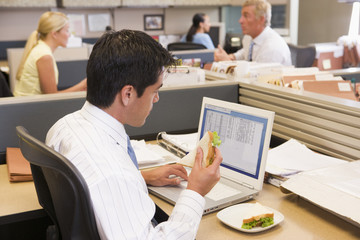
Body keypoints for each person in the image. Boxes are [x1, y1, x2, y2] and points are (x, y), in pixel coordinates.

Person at [46, 29, 223, 239]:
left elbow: (91, 186)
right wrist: (195, 190)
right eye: (155, 91)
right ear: (128, 94)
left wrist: (140, 177)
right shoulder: (112, 174)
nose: (156, 99)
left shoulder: (64, 126)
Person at [14, 11, 86, 96]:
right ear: (54, 34)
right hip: (28, 107)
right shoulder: (44, 56)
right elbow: (51, 96)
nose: (69, 35)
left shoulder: (41, 49)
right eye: (67, 30)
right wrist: (83, 85)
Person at [214, 0, 292, 66]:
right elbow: (246, 52)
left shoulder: (272, 47)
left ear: (261, 19)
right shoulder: (249, 37)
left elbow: (257, 78)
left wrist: (228, 63)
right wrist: (232, 57)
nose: (240, 21)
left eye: (246, 16)